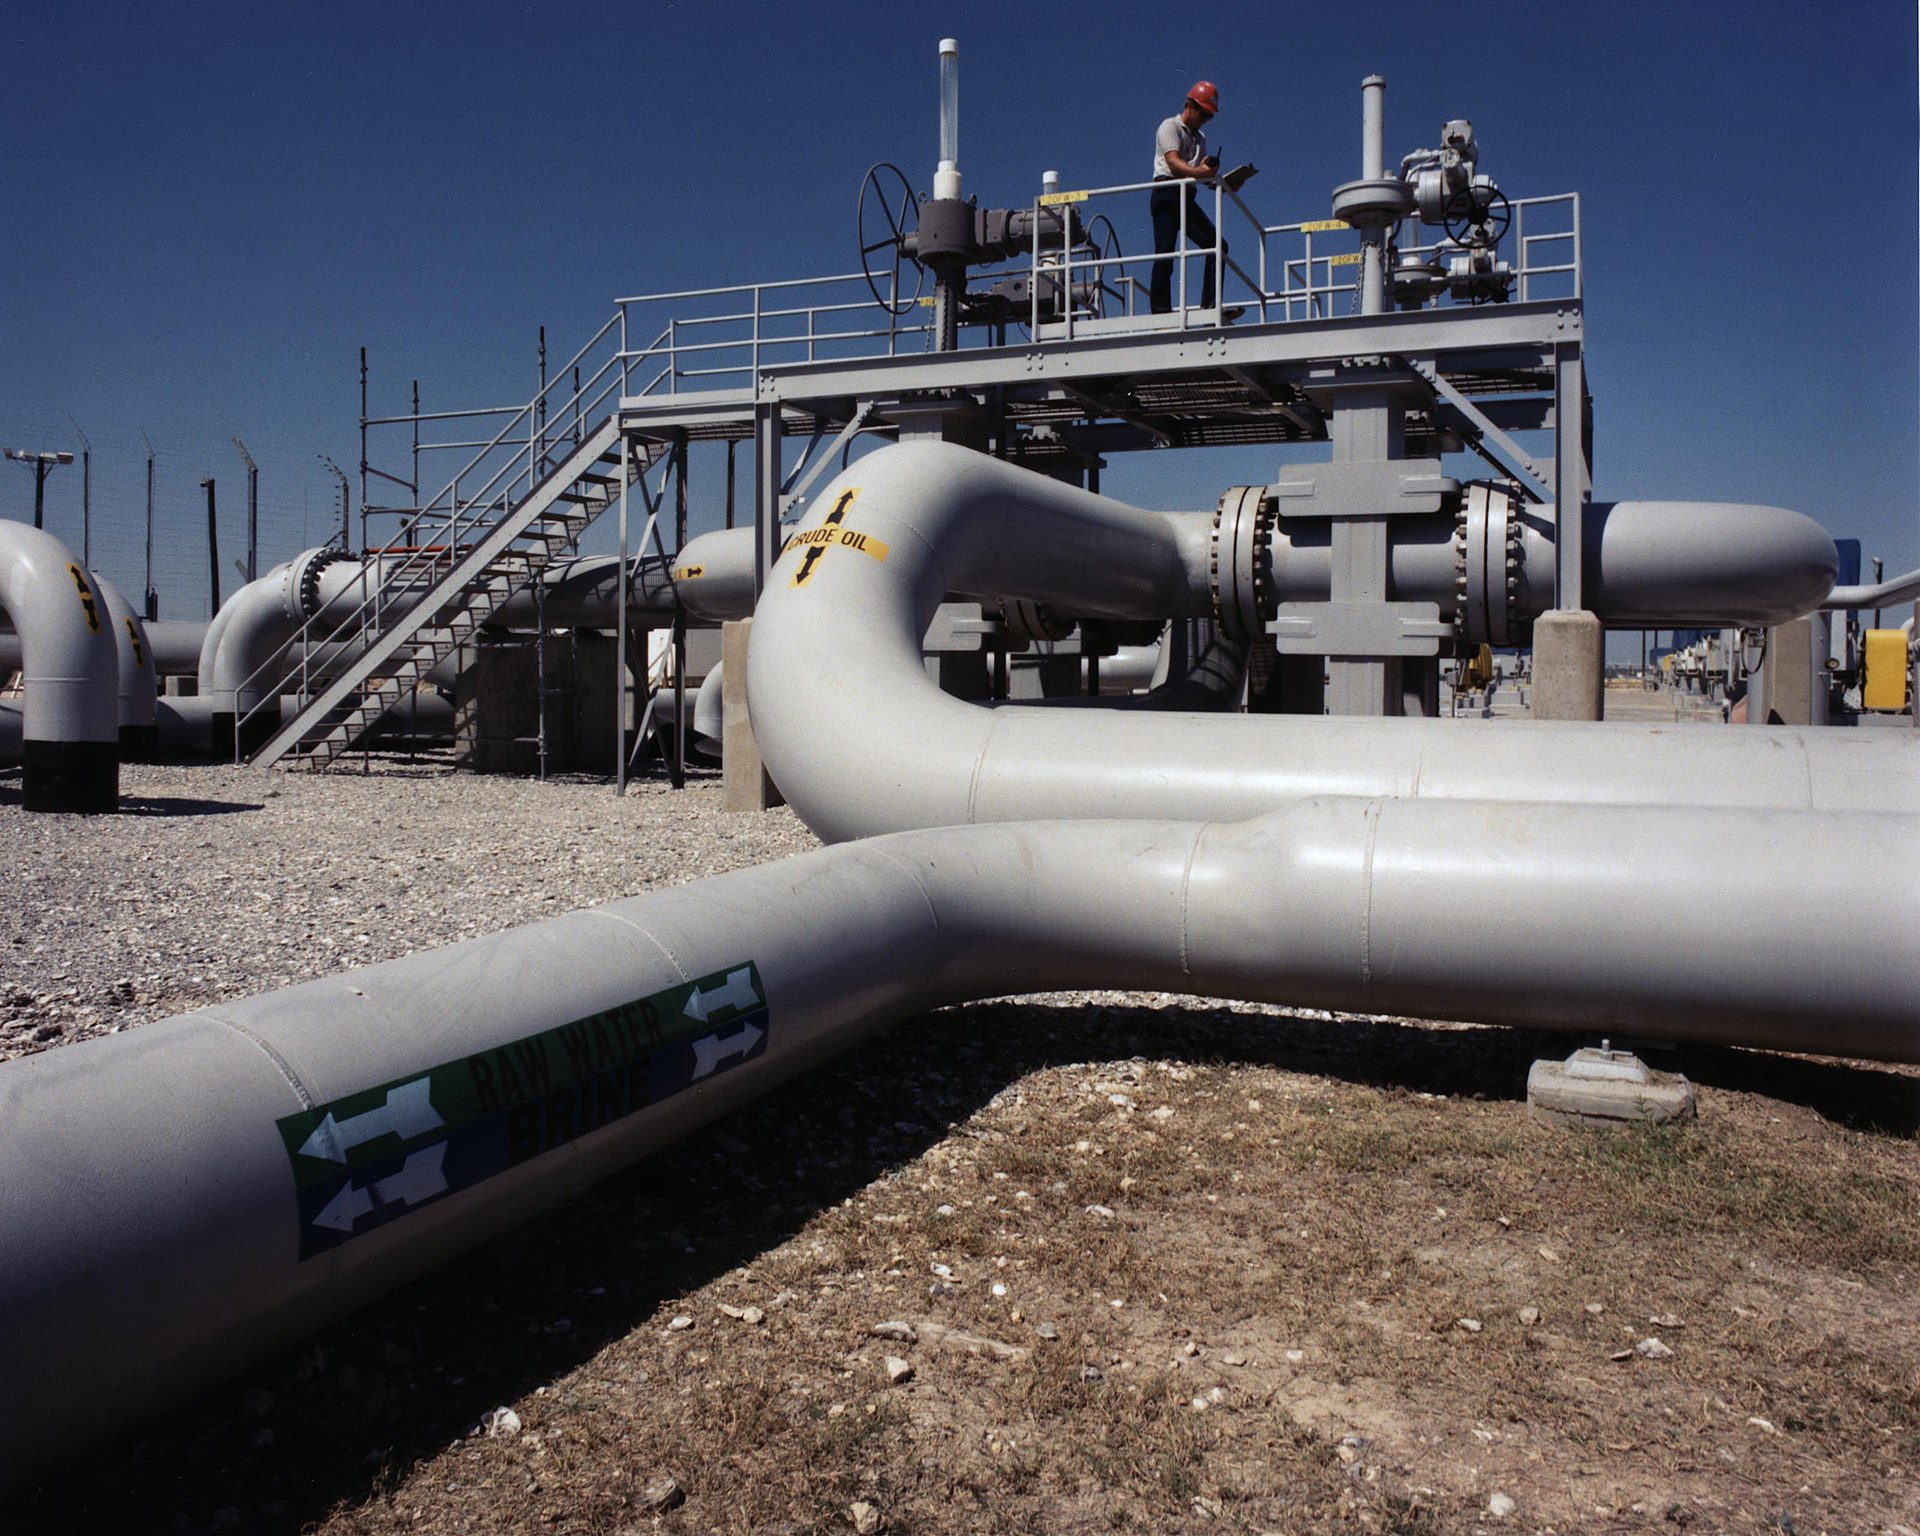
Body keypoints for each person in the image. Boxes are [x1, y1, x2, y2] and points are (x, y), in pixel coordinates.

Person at [1150, 80, 1232, 315]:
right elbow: (1173, 162)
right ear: (1190, 106)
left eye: (1209, 117)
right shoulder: (1170, 127)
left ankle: (1210, 305)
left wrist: (1226, 182)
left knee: (1217, 245)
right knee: (1165, 252)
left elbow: (1202, 175)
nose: (1205, 120)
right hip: (1166, 192)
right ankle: (1160, 312)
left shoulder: (1199, 139)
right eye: (1204, 114)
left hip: (1186, 196)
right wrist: (1200, 172)